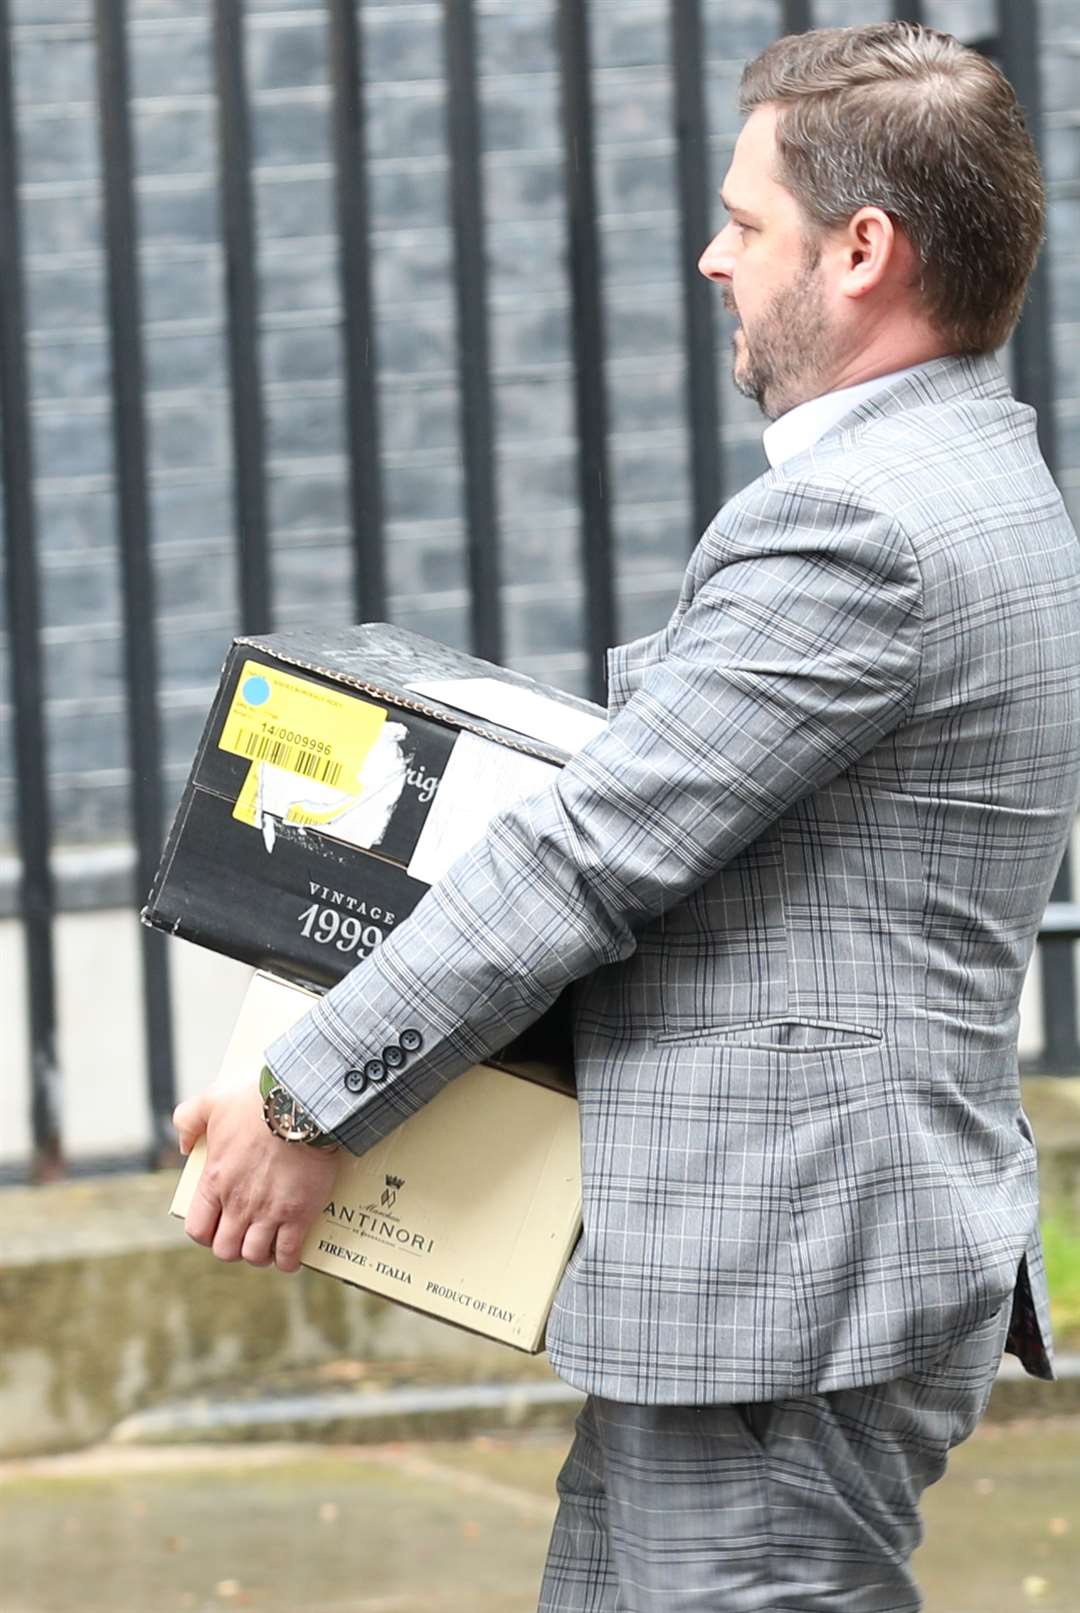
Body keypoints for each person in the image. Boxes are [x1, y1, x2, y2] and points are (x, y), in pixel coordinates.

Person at [175, 23, 1080, 1612]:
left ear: (864, 249)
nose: (715, 258)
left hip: (786, 1286)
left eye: (748, 221)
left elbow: (589, 855)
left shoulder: (853, 525)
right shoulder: (980, 473)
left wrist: (304, 1098)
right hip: (783, 1273)